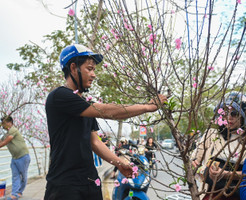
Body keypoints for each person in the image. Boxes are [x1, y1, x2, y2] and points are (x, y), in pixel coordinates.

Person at [44, 44, 167, 200]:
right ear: (73, 68)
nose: (94, 74)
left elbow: (95, 142)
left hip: (89, 180)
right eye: (89, 68)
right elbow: (108, 111)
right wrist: (147, 107)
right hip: (64, 184)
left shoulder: (83, 104)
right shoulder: (59, 96)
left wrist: (119, 163)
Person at [191, 93, 246, 200]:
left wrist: (226, 174)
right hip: (210, 194)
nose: (228, 117)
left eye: (234, 113)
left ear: (244, 117)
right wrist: (204, 171)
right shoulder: (211, 134)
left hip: (238, 195)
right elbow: (194, 161)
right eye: (225, 112)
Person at [0, 116, 31, 200]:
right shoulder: (6, 133)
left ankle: (19, 192)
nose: (3, 125)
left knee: (23, 176)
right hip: (14, 158)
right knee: (15, 176)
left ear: (10, 122)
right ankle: (14, 194)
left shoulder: (13, 129)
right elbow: (1, 140)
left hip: (23, 156)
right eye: (2, 123)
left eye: (4, 123)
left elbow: (6, 141)